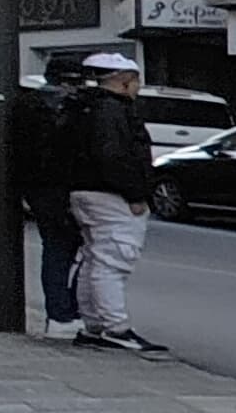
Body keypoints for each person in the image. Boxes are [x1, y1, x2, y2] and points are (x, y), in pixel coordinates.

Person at [58, 53, 165, 354]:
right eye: (136, 82)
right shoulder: (112, 111)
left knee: (94, 258)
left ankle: (93, 325)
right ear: (124, 81)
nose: (138, 88)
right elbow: (113, 155)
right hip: (110, 194)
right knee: (113, 260)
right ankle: (115, 327)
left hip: (84, 191)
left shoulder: (83, 106)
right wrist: (134, 194)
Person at [3, 51, 90, 340]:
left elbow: (18, 151)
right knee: (75, 249)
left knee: (56, 248)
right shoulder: (73, 108)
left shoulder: (27, 105)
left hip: (39, 188)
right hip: (64, 187)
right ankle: (67, 312)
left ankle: (60, 314)